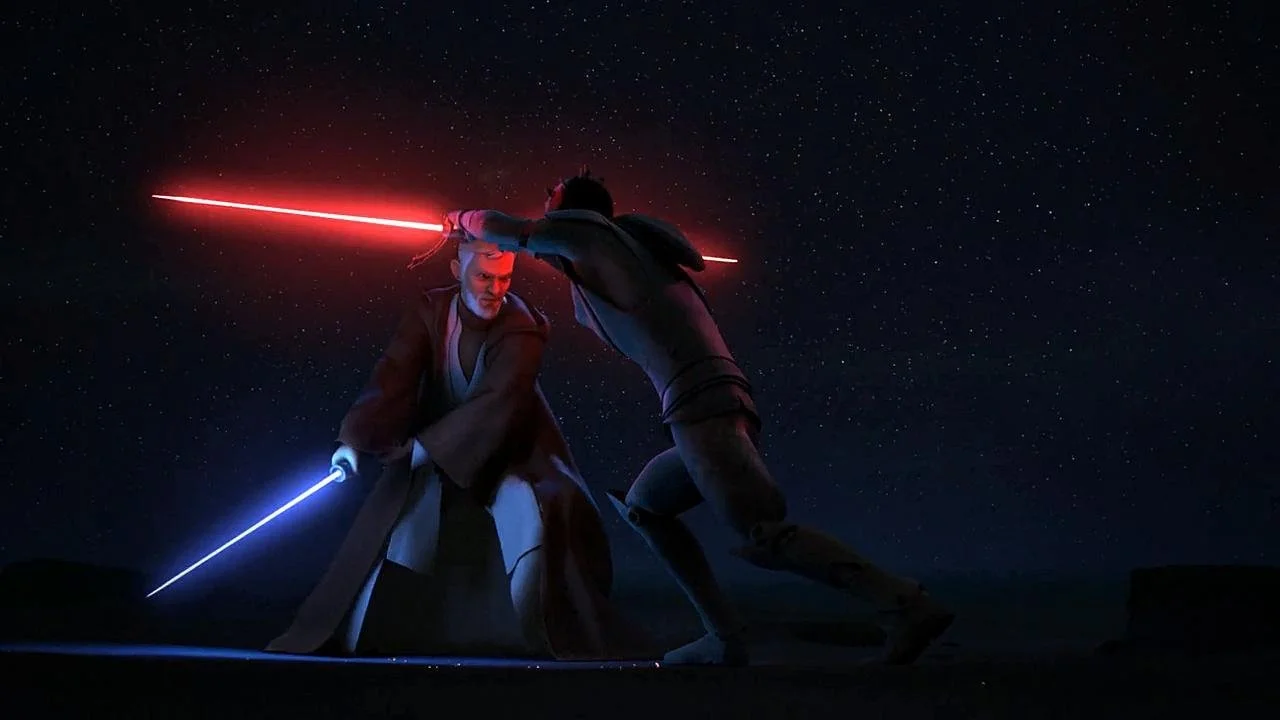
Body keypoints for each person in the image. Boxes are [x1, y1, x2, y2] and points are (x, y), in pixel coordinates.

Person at [443, 168, 954, 666]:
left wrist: (459, 218)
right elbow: (543, 250)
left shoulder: (591, 235)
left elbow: (513, 230)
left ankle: (906, 605)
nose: (544, 204)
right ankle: (723, 636)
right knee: (646, 507)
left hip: (701, 405)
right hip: (705, 403)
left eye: (551, 197)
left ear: (568, 208)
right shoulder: (614, 251)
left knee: (763, 530)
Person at [266, 232, 642, 660]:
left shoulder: (524, 327)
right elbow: (394, 372)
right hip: (437, 450)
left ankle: (547, 637)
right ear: (456, 270)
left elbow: (498, 402)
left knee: (531, 519)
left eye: (504, 278)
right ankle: (375, 638)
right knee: (403, 529)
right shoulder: (430, 311)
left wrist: (422, 450)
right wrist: (353, 440)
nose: (495, 289)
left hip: (511, 455)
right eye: (484, 276)